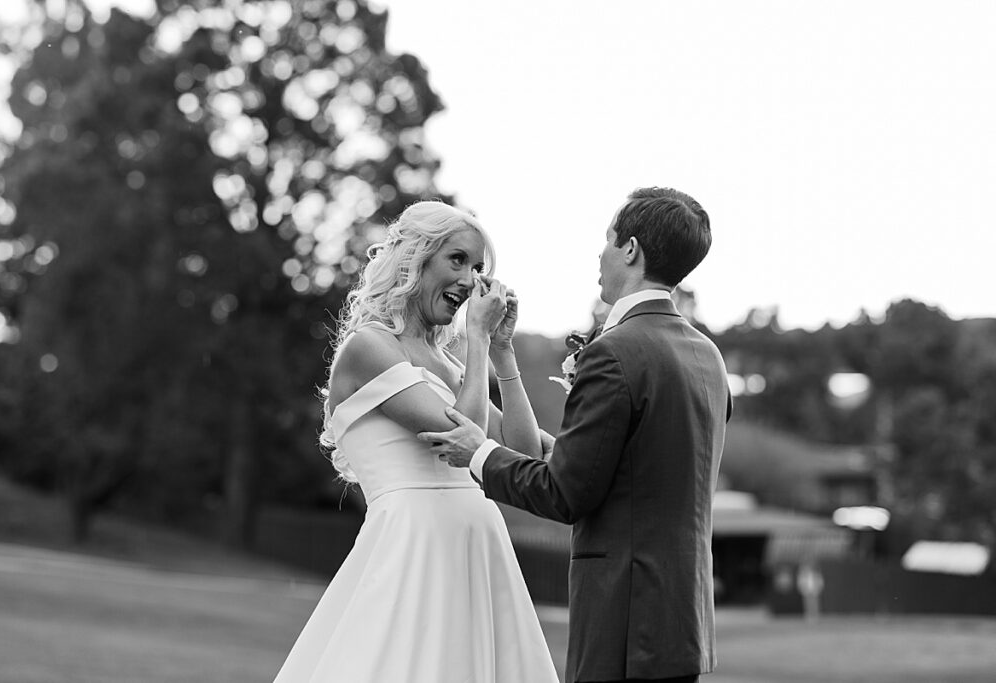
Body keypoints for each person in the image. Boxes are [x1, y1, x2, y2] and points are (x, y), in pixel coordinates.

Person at [419, 187, 732, 683]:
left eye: (608, 239)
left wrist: (478, 453)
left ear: (630, 249)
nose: (600, 253)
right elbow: (636, 468)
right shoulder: (707, 357)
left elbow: (565, 494)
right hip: (682, 622)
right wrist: (544, 431)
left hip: (623, 621)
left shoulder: (616, 352)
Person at [272, 201, 559, 683]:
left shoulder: (448, 366)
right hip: (414, 547)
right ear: (415, 259)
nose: (469, 280)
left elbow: (527, 452)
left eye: (478, 268)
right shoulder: (369, 347)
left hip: (478, 549)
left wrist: (503, 354)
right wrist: (478, 342)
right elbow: (459, 439)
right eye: (457, 260)